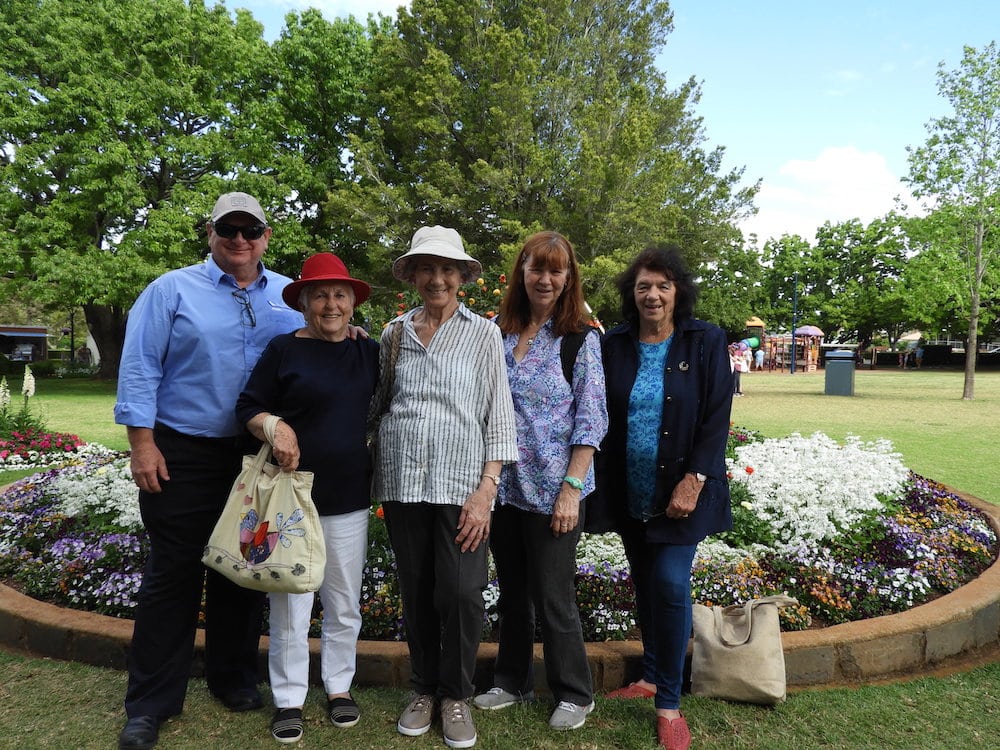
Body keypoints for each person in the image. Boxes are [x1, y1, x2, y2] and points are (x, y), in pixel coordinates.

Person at [113, 191, 307, 750]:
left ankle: (233, 678)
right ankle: (150, 703)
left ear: (266, 236)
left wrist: (353, 338)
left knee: (241, 570)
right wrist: (142, 444)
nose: (240, 241)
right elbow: (140, 368)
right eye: (229, 230)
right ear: (211, 233)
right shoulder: (171, 290)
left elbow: (316, 339)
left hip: (253, 455)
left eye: (251, 231)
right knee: (173, 574)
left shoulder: (287, 296)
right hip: (183, 450)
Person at [371, 225, 519, 750]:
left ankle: (455, 693)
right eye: (426, 268)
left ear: (462, 277)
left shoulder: (483, 334)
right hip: (404, 479)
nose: (437, 278)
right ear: (412, 275)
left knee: (459, 591)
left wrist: (487, 488)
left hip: (463, 486)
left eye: (446, 269)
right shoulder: (393, 335)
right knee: (417, 591)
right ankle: (423, 690)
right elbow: (379, 404)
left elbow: (499, 413)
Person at [235, 253, 379, 744]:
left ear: (353, 303)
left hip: (349, 497)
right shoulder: (283, 350)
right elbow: (248, 407)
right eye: (320, 295)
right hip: (289, 498)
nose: (331, 304)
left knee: (343, 601)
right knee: (291, 601)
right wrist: (276, 426)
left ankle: (339, 687)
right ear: (303, 304)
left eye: (340, 295)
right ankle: (290, 697)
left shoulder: (368, 351)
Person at [598, 245, 733, 750]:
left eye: (663, 285)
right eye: (642, 287)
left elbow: (716, 415)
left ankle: (669, 704)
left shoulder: (705, 341)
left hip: (684, 491)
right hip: (632, 490)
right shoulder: (614, 344)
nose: (652, 295)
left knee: (673, 584)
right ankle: (652, 675)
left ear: (678, 292)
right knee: (646, 583)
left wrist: (695, 479)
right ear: (631, 296)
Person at [472, 232, 608, 730]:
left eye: (556, 270)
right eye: (536, 268)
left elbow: (592, 420)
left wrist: (572, 490)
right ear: (521, 272)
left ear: (568, 277)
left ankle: (574, 691)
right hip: (503, 486)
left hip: (556, 490)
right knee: (513, 592)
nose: (545, 279)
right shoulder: (497, 331)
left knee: (553, 595)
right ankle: (512, 681)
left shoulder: (580, 339)